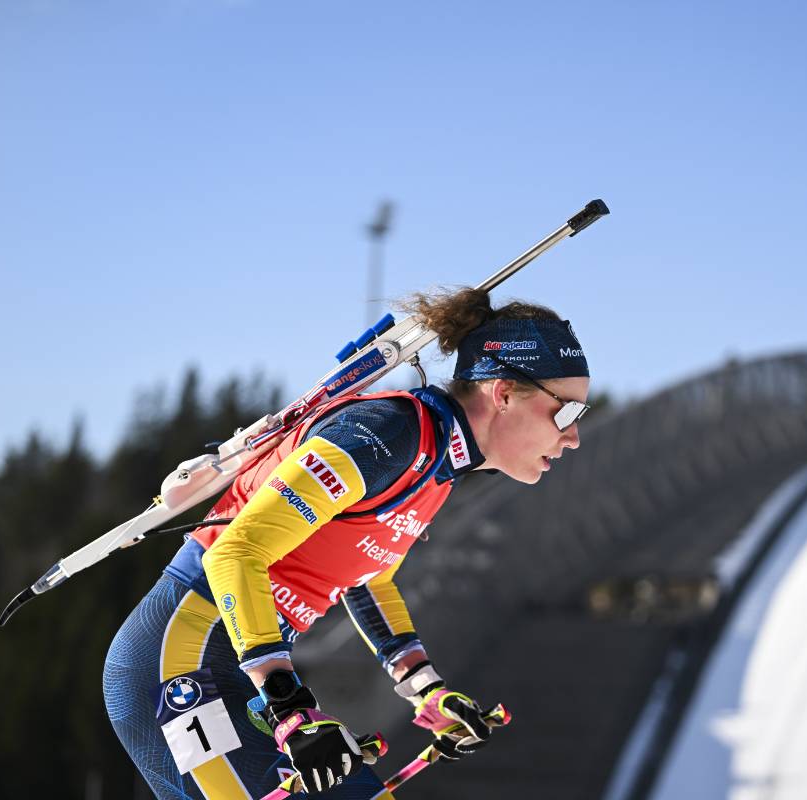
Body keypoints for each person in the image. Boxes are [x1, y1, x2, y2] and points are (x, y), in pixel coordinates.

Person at [103, 288, 591, 799]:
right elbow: (235, 552)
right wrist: (288, 705)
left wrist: (425, 688)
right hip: (183, 662)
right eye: (566, 413)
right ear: (504, 393)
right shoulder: (386, 434)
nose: (574, 436)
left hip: (244, 674)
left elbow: (366, 577)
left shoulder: (437, 463)